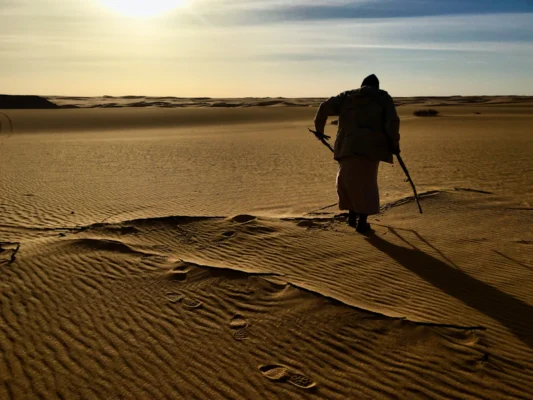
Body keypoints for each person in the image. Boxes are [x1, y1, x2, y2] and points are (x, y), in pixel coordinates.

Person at [314, 74, 400, 233]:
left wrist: (320, 130)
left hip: (346, 146)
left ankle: (352, 216)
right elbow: (392, 123)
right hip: (371, 148)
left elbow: (324, 107)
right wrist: (394, 144)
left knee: (348, 181)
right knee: (366, 184)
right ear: (377, 86)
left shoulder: (347, 96)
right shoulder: (382, 97)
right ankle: (362, 222)